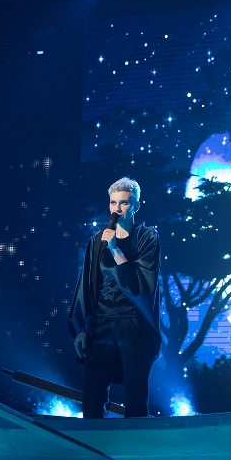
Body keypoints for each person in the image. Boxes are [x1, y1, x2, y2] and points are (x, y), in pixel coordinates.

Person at [67, 177, 161, 418]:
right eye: (113, 203)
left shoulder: (146, 237)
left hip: (134, 324)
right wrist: (81, 328)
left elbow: (140, 284)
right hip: (103, 323)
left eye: (124, 203)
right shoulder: (97, 241)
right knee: (93, 394)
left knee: (136, 395)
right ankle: (94, 438)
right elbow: (87, 284)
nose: (117, 209)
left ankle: (135, 440)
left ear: (136, 206)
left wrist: (114, 249)